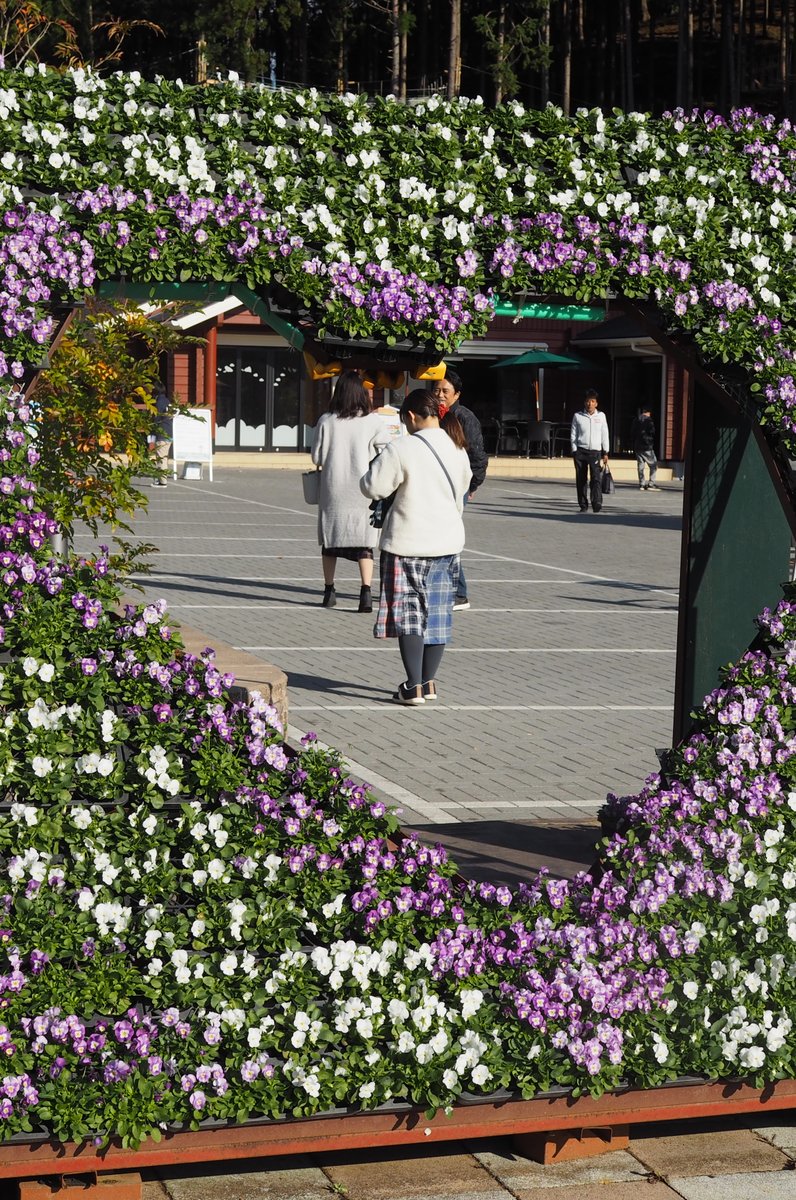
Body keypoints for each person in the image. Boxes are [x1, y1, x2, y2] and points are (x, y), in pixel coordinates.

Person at [360, 390, 471, 706]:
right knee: (437, 614)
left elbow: (374, 486)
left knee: (410, 613)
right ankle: (429, 682)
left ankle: (413, 685)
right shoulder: (456, 446)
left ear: (410, 416)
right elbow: (463, 486)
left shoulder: (402, 447)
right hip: (447, 542)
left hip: (408, 542)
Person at [311, 370, 389, 612]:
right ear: (362, 394)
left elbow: (316, 456)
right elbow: (386, 450)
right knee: (364, 544)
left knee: (330, 542)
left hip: (334, 489)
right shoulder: (374, 422)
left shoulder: (327, 420)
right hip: (363, 490)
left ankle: (329, 590)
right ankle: (365, 593)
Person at [429, 369, 487, 610]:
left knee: (445, 538)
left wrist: (471, 485)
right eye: (437, 390)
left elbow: (478, 457)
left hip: (456, 487)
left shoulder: (464, 418)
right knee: (437, 537)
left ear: (457, 395)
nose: (440, 395)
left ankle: (460, 593)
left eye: (445, 391)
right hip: (435, 485)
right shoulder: (433, 416)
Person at [570, 388, 609, 513]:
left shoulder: (601, 416)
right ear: (584, 402)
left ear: (596, 403)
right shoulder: (578, 416)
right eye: (588, 401)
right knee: (581, 479)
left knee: (596, 478)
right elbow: (573, 434)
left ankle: (596, 502)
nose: (590, 404)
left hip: (595, 452)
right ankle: (583, 505)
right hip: (581, 451)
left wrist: (606, 452)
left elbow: (605, 434)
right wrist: (574, 450)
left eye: (592, 401)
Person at [631, 404, 659, 490]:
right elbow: (652, 432)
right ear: (649, 412)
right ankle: (651, 483)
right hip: (647, 446)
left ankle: (641, 483)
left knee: (640, 465)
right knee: (653, 464)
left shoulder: (636, 420)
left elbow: (632, 432)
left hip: (637, 446)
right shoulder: (649, 421)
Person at [151, 387, 173, 487]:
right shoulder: (167, 401)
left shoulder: (159, 402)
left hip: (162, 433)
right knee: (163, 457)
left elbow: (157, 418)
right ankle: (160, 479)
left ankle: (162, 482)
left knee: (161, 458)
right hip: (169, 432)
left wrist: (151, 430)